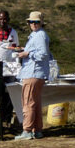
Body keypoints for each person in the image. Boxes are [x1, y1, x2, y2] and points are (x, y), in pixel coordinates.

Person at [13, 10, 51, 140]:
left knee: (28, 102)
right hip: (37, 73)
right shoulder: (37, 35)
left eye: (36, 22)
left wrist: (27, 54)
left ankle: (27, 130)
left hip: (33, 72)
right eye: (31, 22)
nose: (33, 24)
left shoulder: (39, 35)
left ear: (41, 23)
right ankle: (37, 130)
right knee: (35, 102)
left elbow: (43, 54)